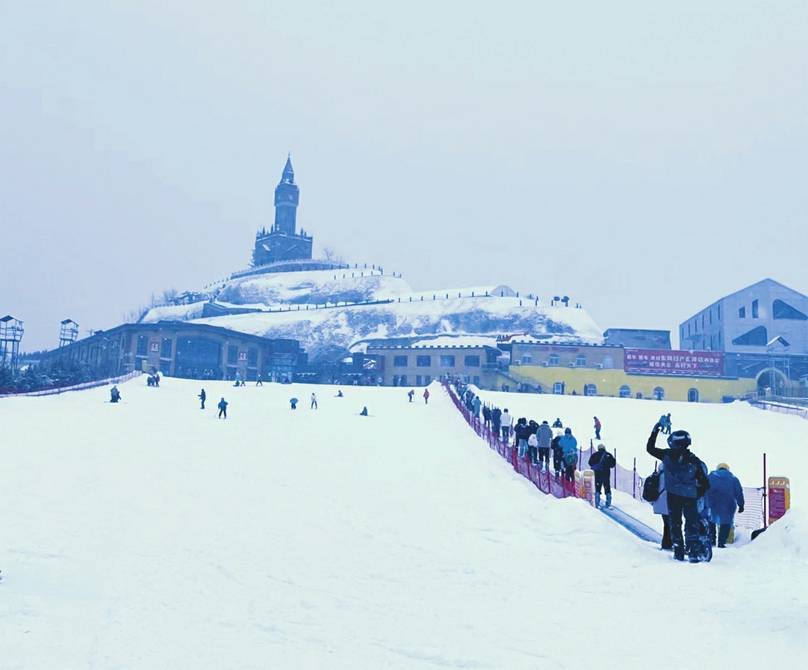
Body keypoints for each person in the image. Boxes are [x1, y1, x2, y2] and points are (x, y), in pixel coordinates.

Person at [646, 424, 710, 562]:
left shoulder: (667, 455)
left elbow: (649, 449)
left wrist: (655, 431)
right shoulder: (694, 460)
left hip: (673, 495)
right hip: (690, 496)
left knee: (675, 522)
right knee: (691, 523)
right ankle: (693, 550)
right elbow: (705, 483)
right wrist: (696, 492)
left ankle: (678, 550)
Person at [706, 463, 745, 548]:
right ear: (727, 469)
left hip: (712, 503)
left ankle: (711, 540)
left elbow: (704, 489)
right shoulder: (733, 479)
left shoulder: (710, 477)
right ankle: (721, 542)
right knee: (726, 523)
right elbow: (739, 493)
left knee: (711, 521)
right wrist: (741, 505)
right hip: (728, 504)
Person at [588, 443, 616, 508]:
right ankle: (608, 503)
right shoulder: (608, 455)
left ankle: (597, 502)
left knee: (597, 487)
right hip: (606, 474)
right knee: (607, 487)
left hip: (597, 474)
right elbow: (613, 464)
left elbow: (590, 463)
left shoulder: (595, 455)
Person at [652, 464, 673, 550]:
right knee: (670, 524)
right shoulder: (670, 476)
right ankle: (668, 543)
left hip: (660, 503)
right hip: (669, 503)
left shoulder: (658, 475)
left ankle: (666, 543)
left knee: (667, 524)